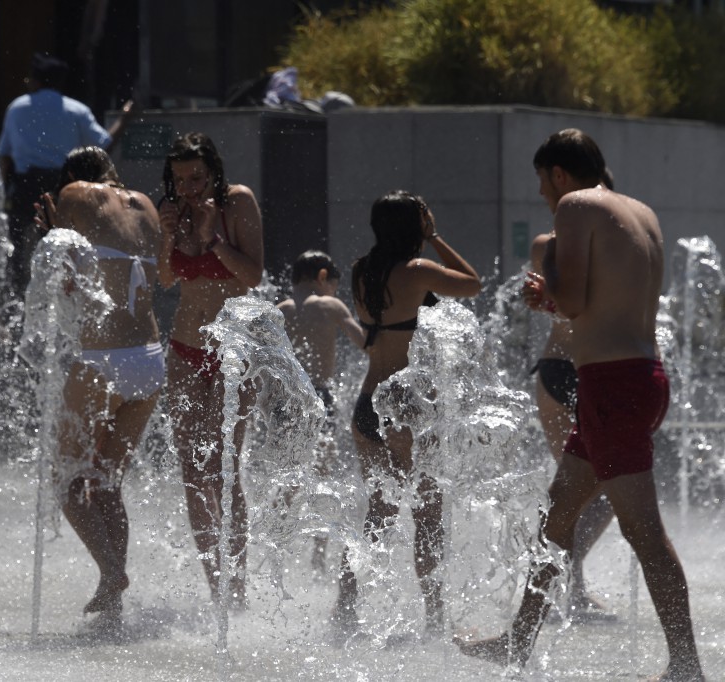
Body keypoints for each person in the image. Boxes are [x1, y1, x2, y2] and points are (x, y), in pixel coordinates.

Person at [458, 129, 705, 681]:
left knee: (643, 531)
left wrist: (541, 294)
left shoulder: (574, 206)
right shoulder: (640, 210)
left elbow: (571, 301)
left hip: (611, 384)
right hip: (642, 376)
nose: (543, 195)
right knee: (557, 516)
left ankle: (687, 666)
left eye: (542, 181)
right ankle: (518, 643)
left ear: (559, 175)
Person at [340, 191, 481, 635]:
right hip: (406, 407)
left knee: (377, 513)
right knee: (427, 515)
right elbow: (473, 282)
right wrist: (435, 236)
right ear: (414, 226)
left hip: (367, 404)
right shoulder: (417, 270)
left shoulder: (362, 270)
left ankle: (343, 606)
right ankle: (436, 621)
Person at [35, 146, 163, 624]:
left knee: (65, 480)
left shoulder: (74, 195)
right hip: (150, 359)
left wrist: (49, 231)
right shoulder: (145, 203)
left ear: (72, 177)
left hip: (101, 360)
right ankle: (113, 595)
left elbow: (61, 278)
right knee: (108, 482)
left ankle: (112, 573)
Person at [156, 132, 264, 608]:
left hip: (233, 353)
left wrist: (211, 240)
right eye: (179, 179)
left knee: (223, 471)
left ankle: (237, 586)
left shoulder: (236, 203)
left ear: (214, 172)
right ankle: (216, 588)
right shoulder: (173, 211)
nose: (188, 187)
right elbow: (164, 278)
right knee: (191, 474)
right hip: (184, 348)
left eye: (196, 177)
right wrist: (166, 235)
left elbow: (254, 275)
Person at [0, 53, 136, 299]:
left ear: (35, 80)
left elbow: (5, 157)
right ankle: (63, 298)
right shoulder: (76, 110)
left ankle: (15, 300)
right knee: (63, 246)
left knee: (16, 250)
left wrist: (4, 194)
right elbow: (102, 147)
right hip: (62, 187)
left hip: (24, 184)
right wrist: (124, 118)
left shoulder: (17, 107)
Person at [528, 228, 616, 622]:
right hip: (575, 368)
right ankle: (568, 588)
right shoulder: (568, 244)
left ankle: (565, 583)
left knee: (592, 490)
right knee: (585, 489)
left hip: (571, 369)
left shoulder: (553, 245)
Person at [275, 250, 366, 572]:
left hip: (284, 400)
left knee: (287, 475)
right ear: (323, 276)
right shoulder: (330, 306)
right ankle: (318, 552)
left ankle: (280, 548)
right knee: (321, 476)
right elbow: (364, 343)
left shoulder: (279, 311)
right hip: (318, 398)